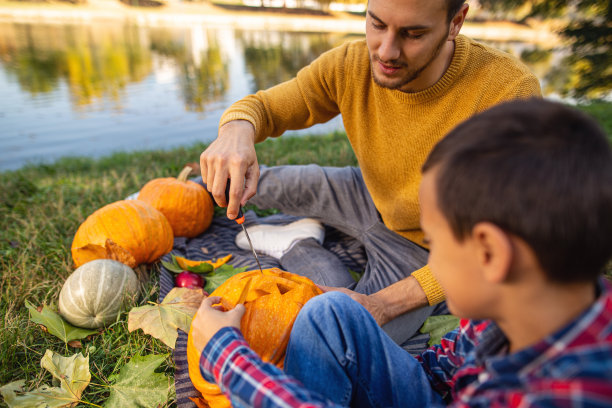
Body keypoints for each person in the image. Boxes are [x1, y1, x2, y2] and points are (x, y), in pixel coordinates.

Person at [191, 98, 612, 407]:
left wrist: (228, 354)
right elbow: (447, 365)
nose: (428, 262)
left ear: (490, 253)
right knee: (330, 311)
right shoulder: (526, 306)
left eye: (434, 241)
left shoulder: (561, 396)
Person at [200, 0, 541, 348]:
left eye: (413, 34)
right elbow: (266, 107)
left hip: (431, 250)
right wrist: (236, 131)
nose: (386, 51)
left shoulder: (507, 93)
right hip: (365, 193)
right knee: (237, 183)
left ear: (456, 21)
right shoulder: (350, 63)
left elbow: (499, 242)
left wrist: (382, 305)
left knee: (335, 342)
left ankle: (297, 244)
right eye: (377, 24)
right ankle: (177, 190)